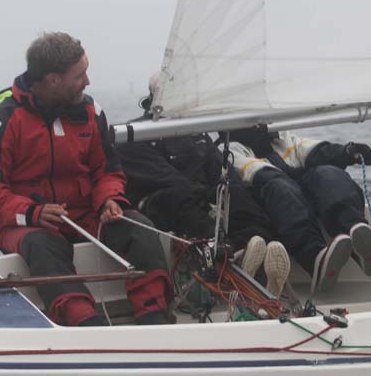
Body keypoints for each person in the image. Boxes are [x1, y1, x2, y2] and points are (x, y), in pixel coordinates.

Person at [0, 32, 172, 326]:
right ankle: (85, 324)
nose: (88, 81)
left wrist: (110, 200)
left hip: (86, 216)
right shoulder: (4, 122)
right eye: (80, 75)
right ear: (53, 80)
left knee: (139, 228)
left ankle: (155, 316)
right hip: (27, 223)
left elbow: (107, 171)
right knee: (43, 246)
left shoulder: (91, 112)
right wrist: (33, 212)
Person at [115, 77, 291, 297]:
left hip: (196, 195)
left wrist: (227, 192)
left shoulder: (196, 134)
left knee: (235, 193)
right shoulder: (135, 135)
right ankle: (231, 258)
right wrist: (207, 197)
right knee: (180, 199)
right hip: (160, 203)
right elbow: (165, 178)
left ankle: (258, 248)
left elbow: (220, 168)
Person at [230, 130, 371, 293]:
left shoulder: (282, 139)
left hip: (299, 194)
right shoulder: (231, 151)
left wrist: (347, 152)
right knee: (281, 189)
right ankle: (316, 260)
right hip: (275, 206)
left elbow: (313, 151)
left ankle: (356, 233)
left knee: (328, 174)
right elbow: (260, 173)